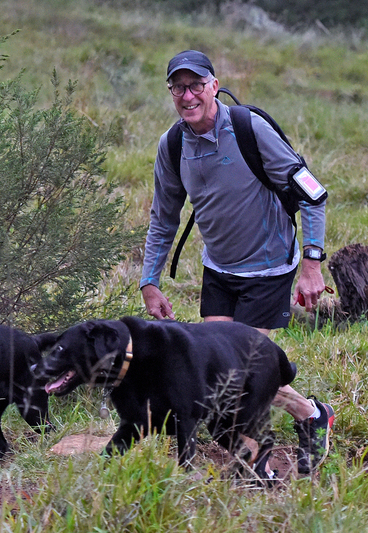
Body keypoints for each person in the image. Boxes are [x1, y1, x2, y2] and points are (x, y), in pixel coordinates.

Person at [140, 50, 334, 476]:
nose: (187, 95)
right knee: (220, 368)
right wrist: (149, 282)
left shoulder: (249, 128)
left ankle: (255, 467)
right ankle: (311, 414)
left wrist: (312, 263)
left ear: (214, 85)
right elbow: (163, 219)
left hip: (269, 269)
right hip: (220, 271)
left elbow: (313, 194)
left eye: (196, 85)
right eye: (178, 87)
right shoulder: (172, 145)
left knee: (237, 371)